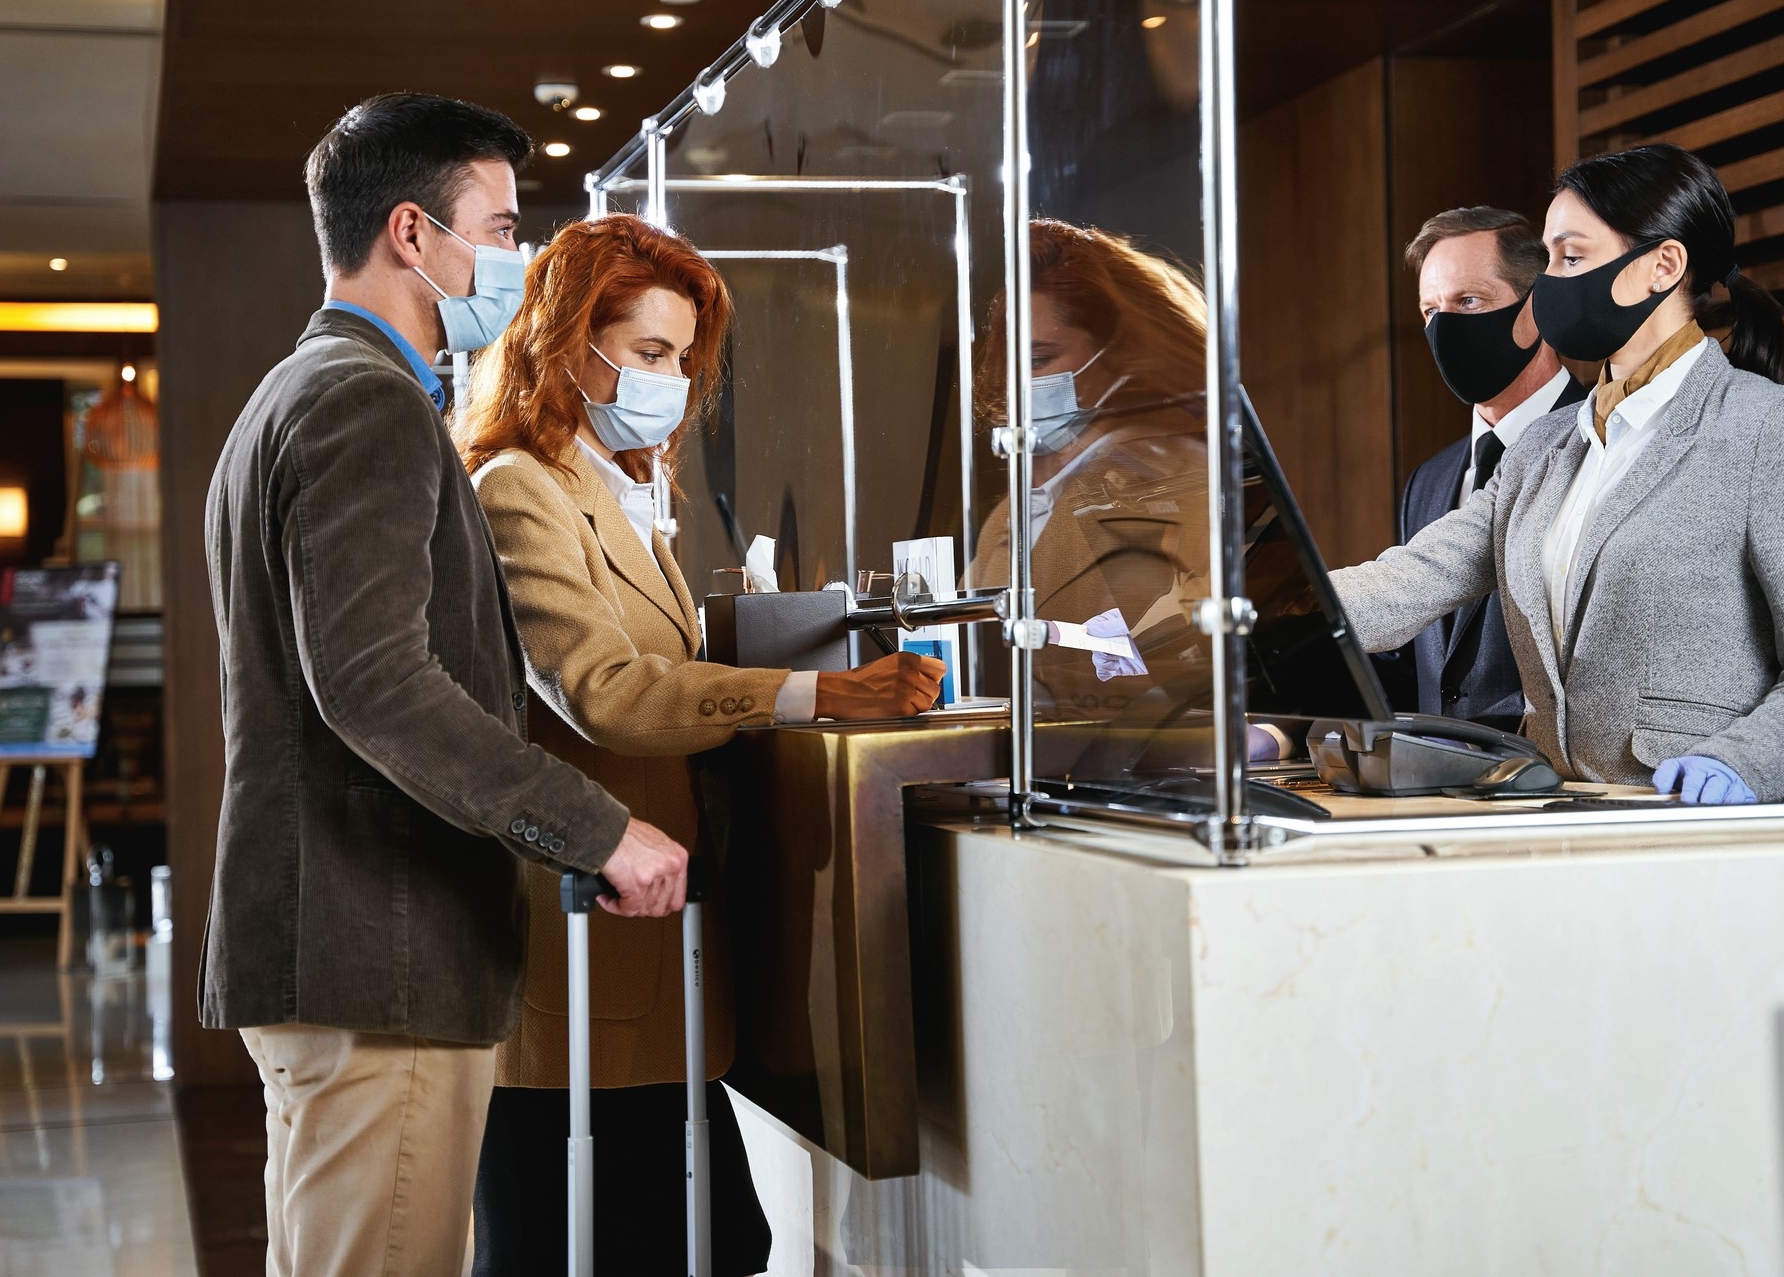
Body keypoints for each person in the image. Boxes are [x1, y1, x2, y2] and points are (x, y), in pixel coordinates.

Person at [204, 94, 691, 1277]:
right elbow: (375, 683)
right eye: (501, 224)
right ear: (413, 234)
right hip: (383, 952)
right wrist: (592, 827)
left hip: (347, 952)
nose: (514, 258)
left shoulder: (305, 388)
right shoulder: (361, 398)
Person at [453, 213, 945, 1275]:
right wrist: (816, 692)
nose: (671, 380)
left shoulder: (621, 497)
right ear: (564, 344)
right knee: (582, 1238)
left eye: (682, 359)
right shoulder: (519, 490)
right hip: (581, 956)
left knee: (708, 1238)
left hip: (650, 952)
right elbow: (607, 693)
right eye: (648, 353)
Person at [1330, 143, 1784, 803]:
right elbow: (1410, 581)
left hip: (1693, 825)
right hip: (1559, 816)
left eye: (1571, 257)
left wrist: (1747, 762)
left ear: (1662, 265)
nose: (1550, 283)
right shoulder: (1541, 447)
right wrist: (1244, 616)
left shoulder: (1773, 428)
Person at [965, 220, 1211, 718]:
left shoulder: (1184, 482)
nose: (1017, 384)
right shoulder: (1007, 517)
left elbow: (1194, 664)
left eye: (1039, 358)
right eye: (1009, 361)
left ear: (1114, 356)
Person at [1383, 207, 1589, 729]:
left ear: (1536, 306)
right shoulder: (1428, 481)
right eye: (1431, 311)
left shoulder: (1603, 442)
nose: (1444, 326)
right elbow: (1408, 664)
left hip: (1557, 788)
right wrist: (1278, 731)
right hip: (1440, 797)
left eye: (1468, 301)